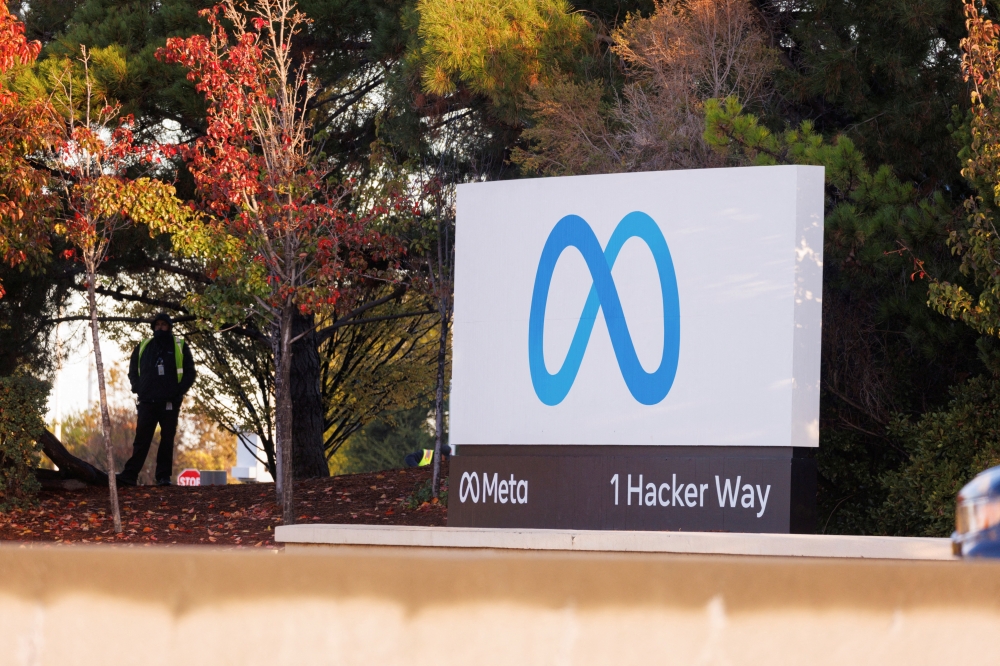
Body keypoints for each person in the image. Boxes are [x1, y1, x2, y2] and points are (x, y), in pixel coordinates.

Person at [117, 313, 196, 486]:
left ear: (169, 327)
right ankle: (130, 475)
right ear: (153, 327)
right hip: (147, 401)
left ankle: (163, 477)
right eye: (157, 325)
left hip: (169, 402)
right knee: (141, 440)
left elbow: (190, 373)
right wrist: (137, 387)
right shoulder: (144, 346)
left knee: (167, 439)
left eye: (164, 325)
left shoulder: (180, 346)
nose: (160, 327)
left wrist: (178, 392)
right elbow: (132, 369)